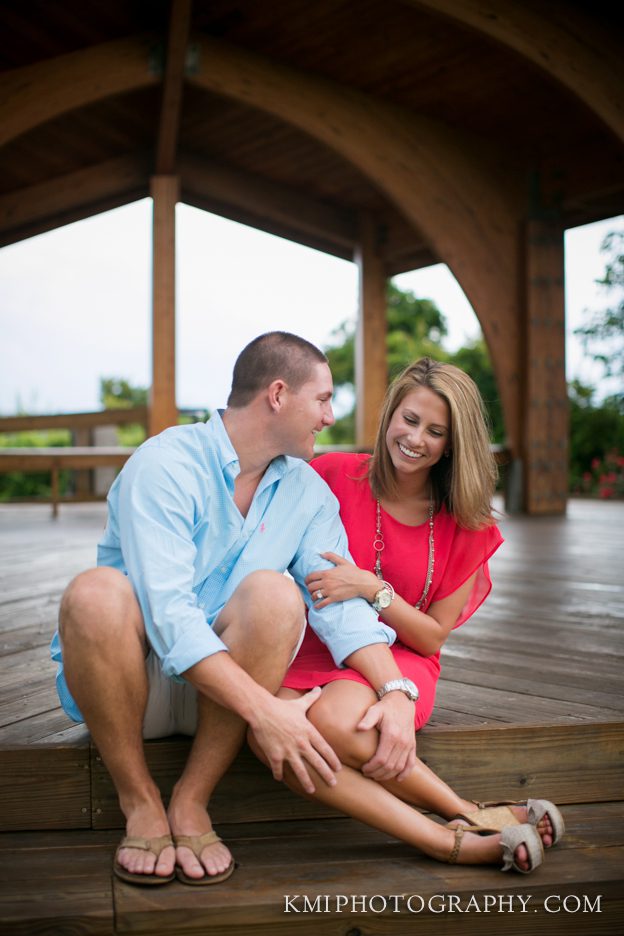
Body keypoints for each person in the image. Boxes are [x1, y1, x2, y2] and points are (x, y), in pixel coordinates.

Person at [50, 332, 419, 887]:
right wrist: (268, 713)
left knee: (275, 593)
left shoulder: (308, 493)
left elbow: (338, 605)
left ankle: (192, 801)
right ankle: (141, 800)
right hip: (128, 691)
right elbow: (170, 615)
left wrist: (395, 693)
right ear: (278, 394)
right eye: (322, 398)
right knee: (95, 592)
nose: (329, 414)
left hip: (223, 705)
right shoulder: (166, 463)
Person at [250, 357, 565, 873]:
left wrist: (373, 588)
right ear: (390, 415)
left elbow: (432, 636)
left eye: (436, 431)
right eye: (410, 420)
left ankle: (460, 822)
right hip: (318, 641)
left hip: (403, 655)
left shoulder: (468, 523)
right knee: (274, 739)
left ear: (452, 444)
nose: (417, 439)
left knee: (328, 720)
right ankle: (459, 823)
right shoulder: (329, 475)